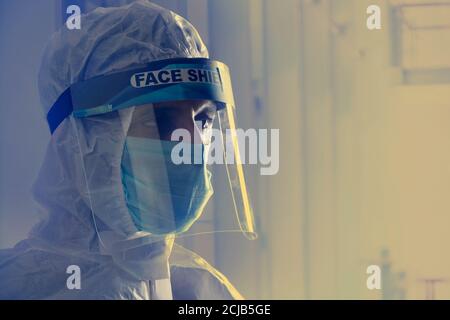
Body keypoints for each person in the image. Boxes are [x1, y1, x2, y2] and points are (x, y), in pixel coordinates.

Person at [0, 1, 251, 300]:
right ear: (81, 136)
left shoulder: (200, 291)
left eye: (203, 119)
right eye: (162, 117)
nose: (192, 142)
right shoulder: (16, 287)